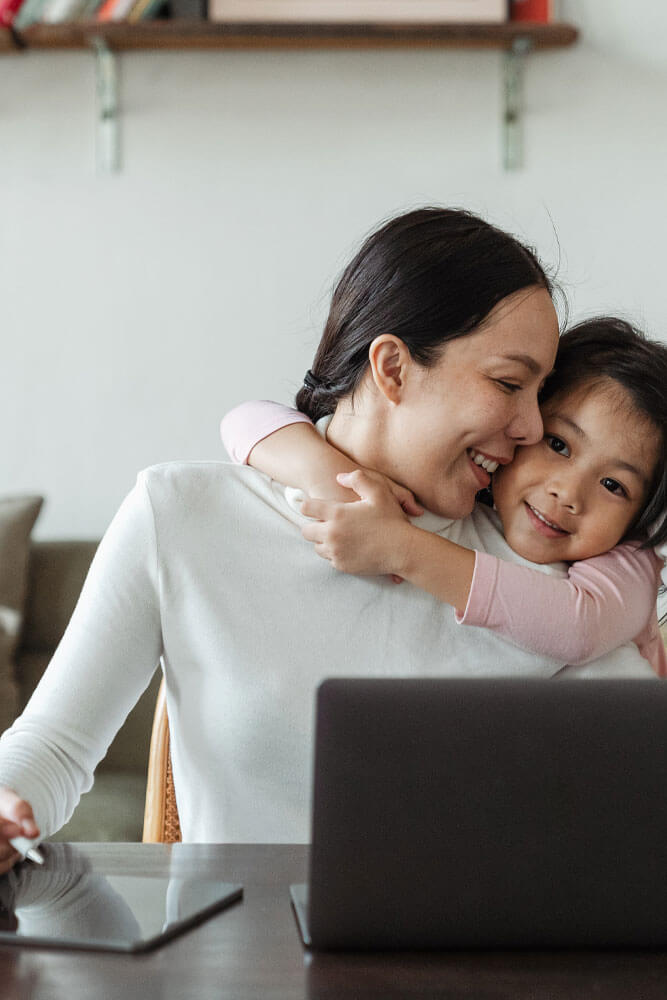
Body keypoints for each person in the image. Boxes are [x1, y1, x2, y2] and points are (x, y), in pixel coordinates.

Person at [0, 205, 606, 875]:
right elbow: (55, 750)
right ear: (393, 368)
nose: (529, 426)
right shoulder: (181, 513)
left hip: (471, 973)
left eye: (540, 393)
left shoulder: (547, 579)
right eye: (507, 383)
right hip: (233, 971)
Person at [220, 319, 667, 676]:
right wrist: (331, 479)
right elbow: (243, 419)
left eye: (614, 486)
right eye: (558, 445)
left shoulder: (632, 561)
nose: (568, 494)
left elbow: (579, 627)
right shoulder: (473, 485)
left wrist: (400, 547)